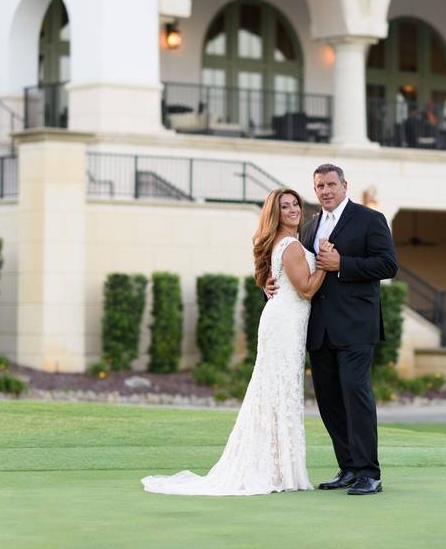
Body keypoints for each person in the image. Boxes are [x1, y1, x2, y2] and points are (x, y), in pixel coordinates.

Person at [141, 188, 329, 496]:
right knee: (277, 390)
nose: (294, 209)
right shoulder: (292, 245)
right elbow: (307, 289)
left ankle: (276, 467)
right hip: (283, 325)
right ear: (275, 213)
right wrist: (323, 262)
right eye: (285, 206)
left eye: (296, 204)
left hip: (286, 322)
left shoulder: (289, 243)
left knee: (277, 391)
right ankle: (275, 470)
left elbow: (279, 280)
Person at [268, 163, 398, 495]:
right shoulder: (309, 228)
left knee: (356, 394)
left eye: (330, 184)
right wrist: (270, 285)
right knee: (329, 400)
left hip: (356, 327)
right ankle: (349, 467)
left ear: (344, 185)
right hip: (318, 329)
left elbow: (388, 264)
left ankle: (370, 472)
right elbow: (297, 269)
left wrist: (344, 264)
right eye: (319, 186)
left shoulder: (370, 219)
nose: (325, 191)